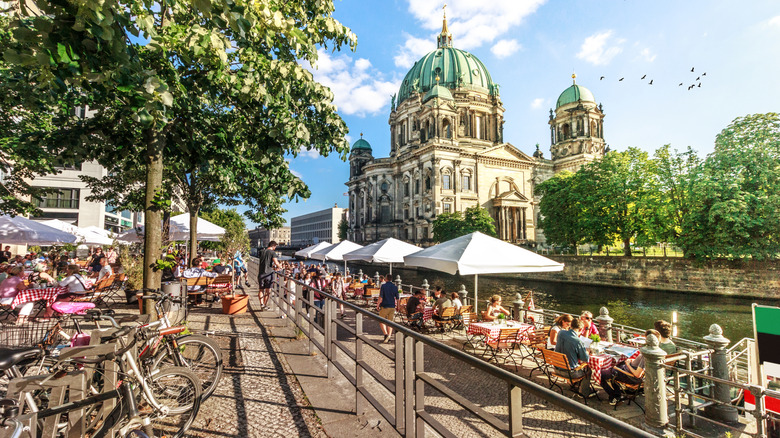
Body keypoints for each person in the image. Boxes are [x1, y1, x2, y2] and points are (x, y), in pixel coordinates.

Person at [602, 329, 657, 405]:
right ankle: (617, 392)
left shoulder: (646, 354)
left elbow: (637, 375)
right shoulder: (655, 351)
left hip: (629, 376)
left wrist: (627, 364)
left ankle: (615, 396)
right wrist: (633, 361)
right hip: (630, 370)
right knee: (616, 363)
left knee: (601, 373)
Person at [554, 315, 592, 397]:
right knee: (588, 370)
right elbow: (585, 359)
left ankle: (576, 385)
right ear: (581, 329)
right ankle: (584, 392)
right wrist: (587, 351)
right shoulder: (577, 341)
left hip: (556, 368)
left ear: (570, 325)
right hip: (570, 373)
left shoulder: (561, 333)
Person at [257, 241, 281, 310]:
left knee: (261, 290)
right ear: (273, 246)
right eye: (275, 246)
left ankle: (261, 304)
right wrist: (280, 267)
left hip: (261, 273)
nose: (275, 248)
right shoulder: (272, 253)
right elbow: (276, 262)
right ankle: (265, 304)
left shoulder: (262, 251)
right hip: (268, 274)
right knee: (268, 291)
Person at [377, 274, 399, 343]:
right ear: (391, 279)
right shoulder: (395, 287)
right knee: (390, 322)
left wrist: (377, 305)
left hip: (385, 305)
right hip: (392, 306)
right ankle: (389, 336)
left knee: (381, 320)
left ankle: (386, 334)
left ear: (386, 279)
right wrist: (398, 306)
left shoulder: (383, 286)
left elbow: (381, 297)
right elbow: (398, 299)